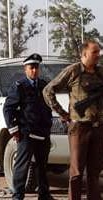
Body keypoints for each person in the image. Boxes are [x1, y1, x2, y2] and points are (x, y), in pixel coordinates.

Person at [43, 40, 103, 200]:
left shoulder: (100, 73)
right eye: (95, 52)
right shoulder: (73, 71)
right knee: (76, 172)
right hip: (79, 128)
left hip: (97, 128)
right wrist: (63, 114)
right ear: (84, 54)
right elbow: (48, 90)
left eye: (99, 52)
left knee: (94, 172)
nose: (98, 55)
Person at [3, 53, 53, 200]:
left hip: (42, 132)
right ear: (25, 69)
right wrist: (14, 129)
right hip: (26, 133)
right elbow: (8, 109)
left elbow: (47, 106)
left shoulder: (44, 85)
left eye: (36, 68)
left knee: (42, 166)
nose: (34, 71)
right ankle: (18, 195)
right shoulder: (20, 86)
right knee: (22, 166)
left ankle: (44, 194)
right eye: (31, 68)